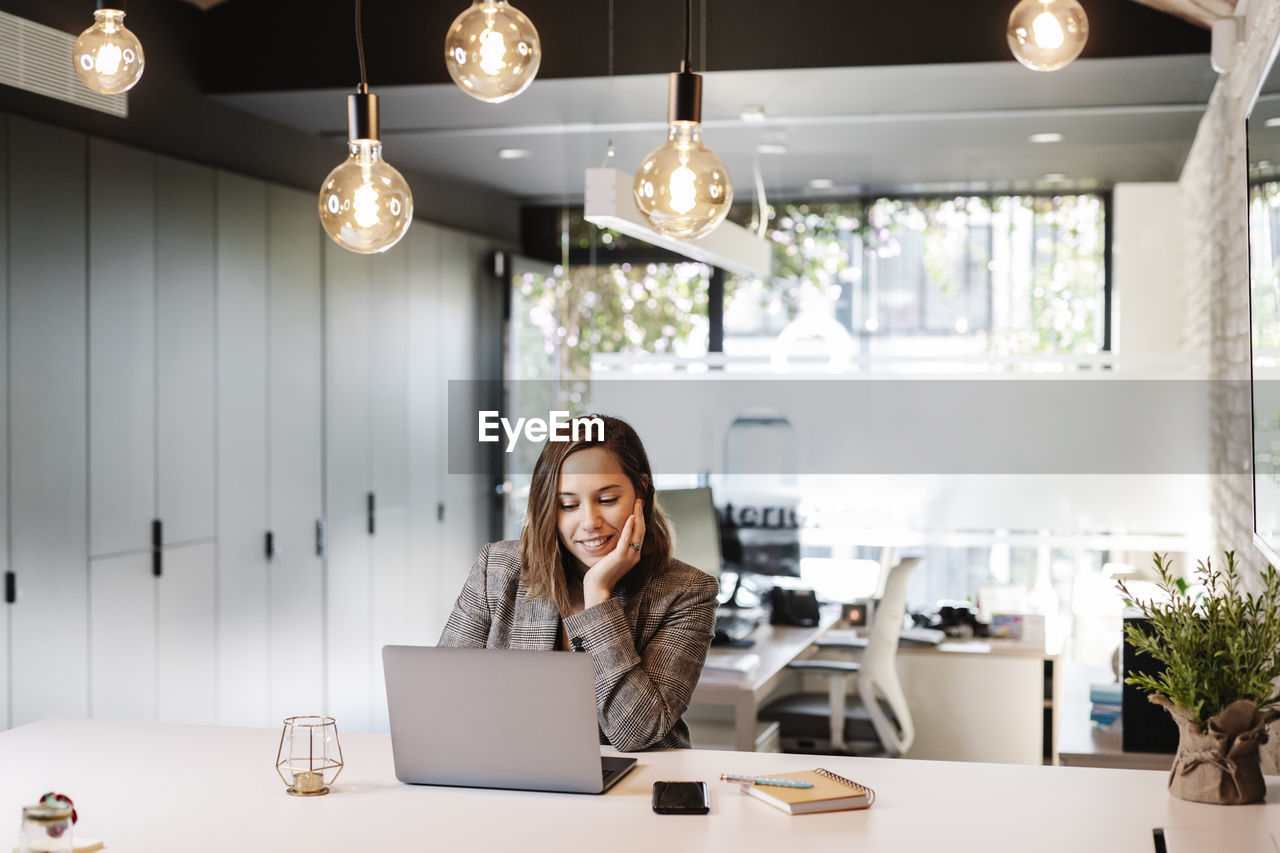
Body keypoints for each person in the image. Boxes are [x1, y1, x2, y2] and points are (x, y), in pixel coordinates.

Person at [438, 414, 718, 751]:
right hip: (513, 780)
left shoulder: (687, 592)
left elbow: (637, 733)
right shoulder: (496, 568)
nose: (589, 522)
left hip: (635, 790)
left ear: (641, 491)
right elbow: (443, 699)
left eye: (607, 500)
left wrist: (598, 597)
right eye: (568, 505)